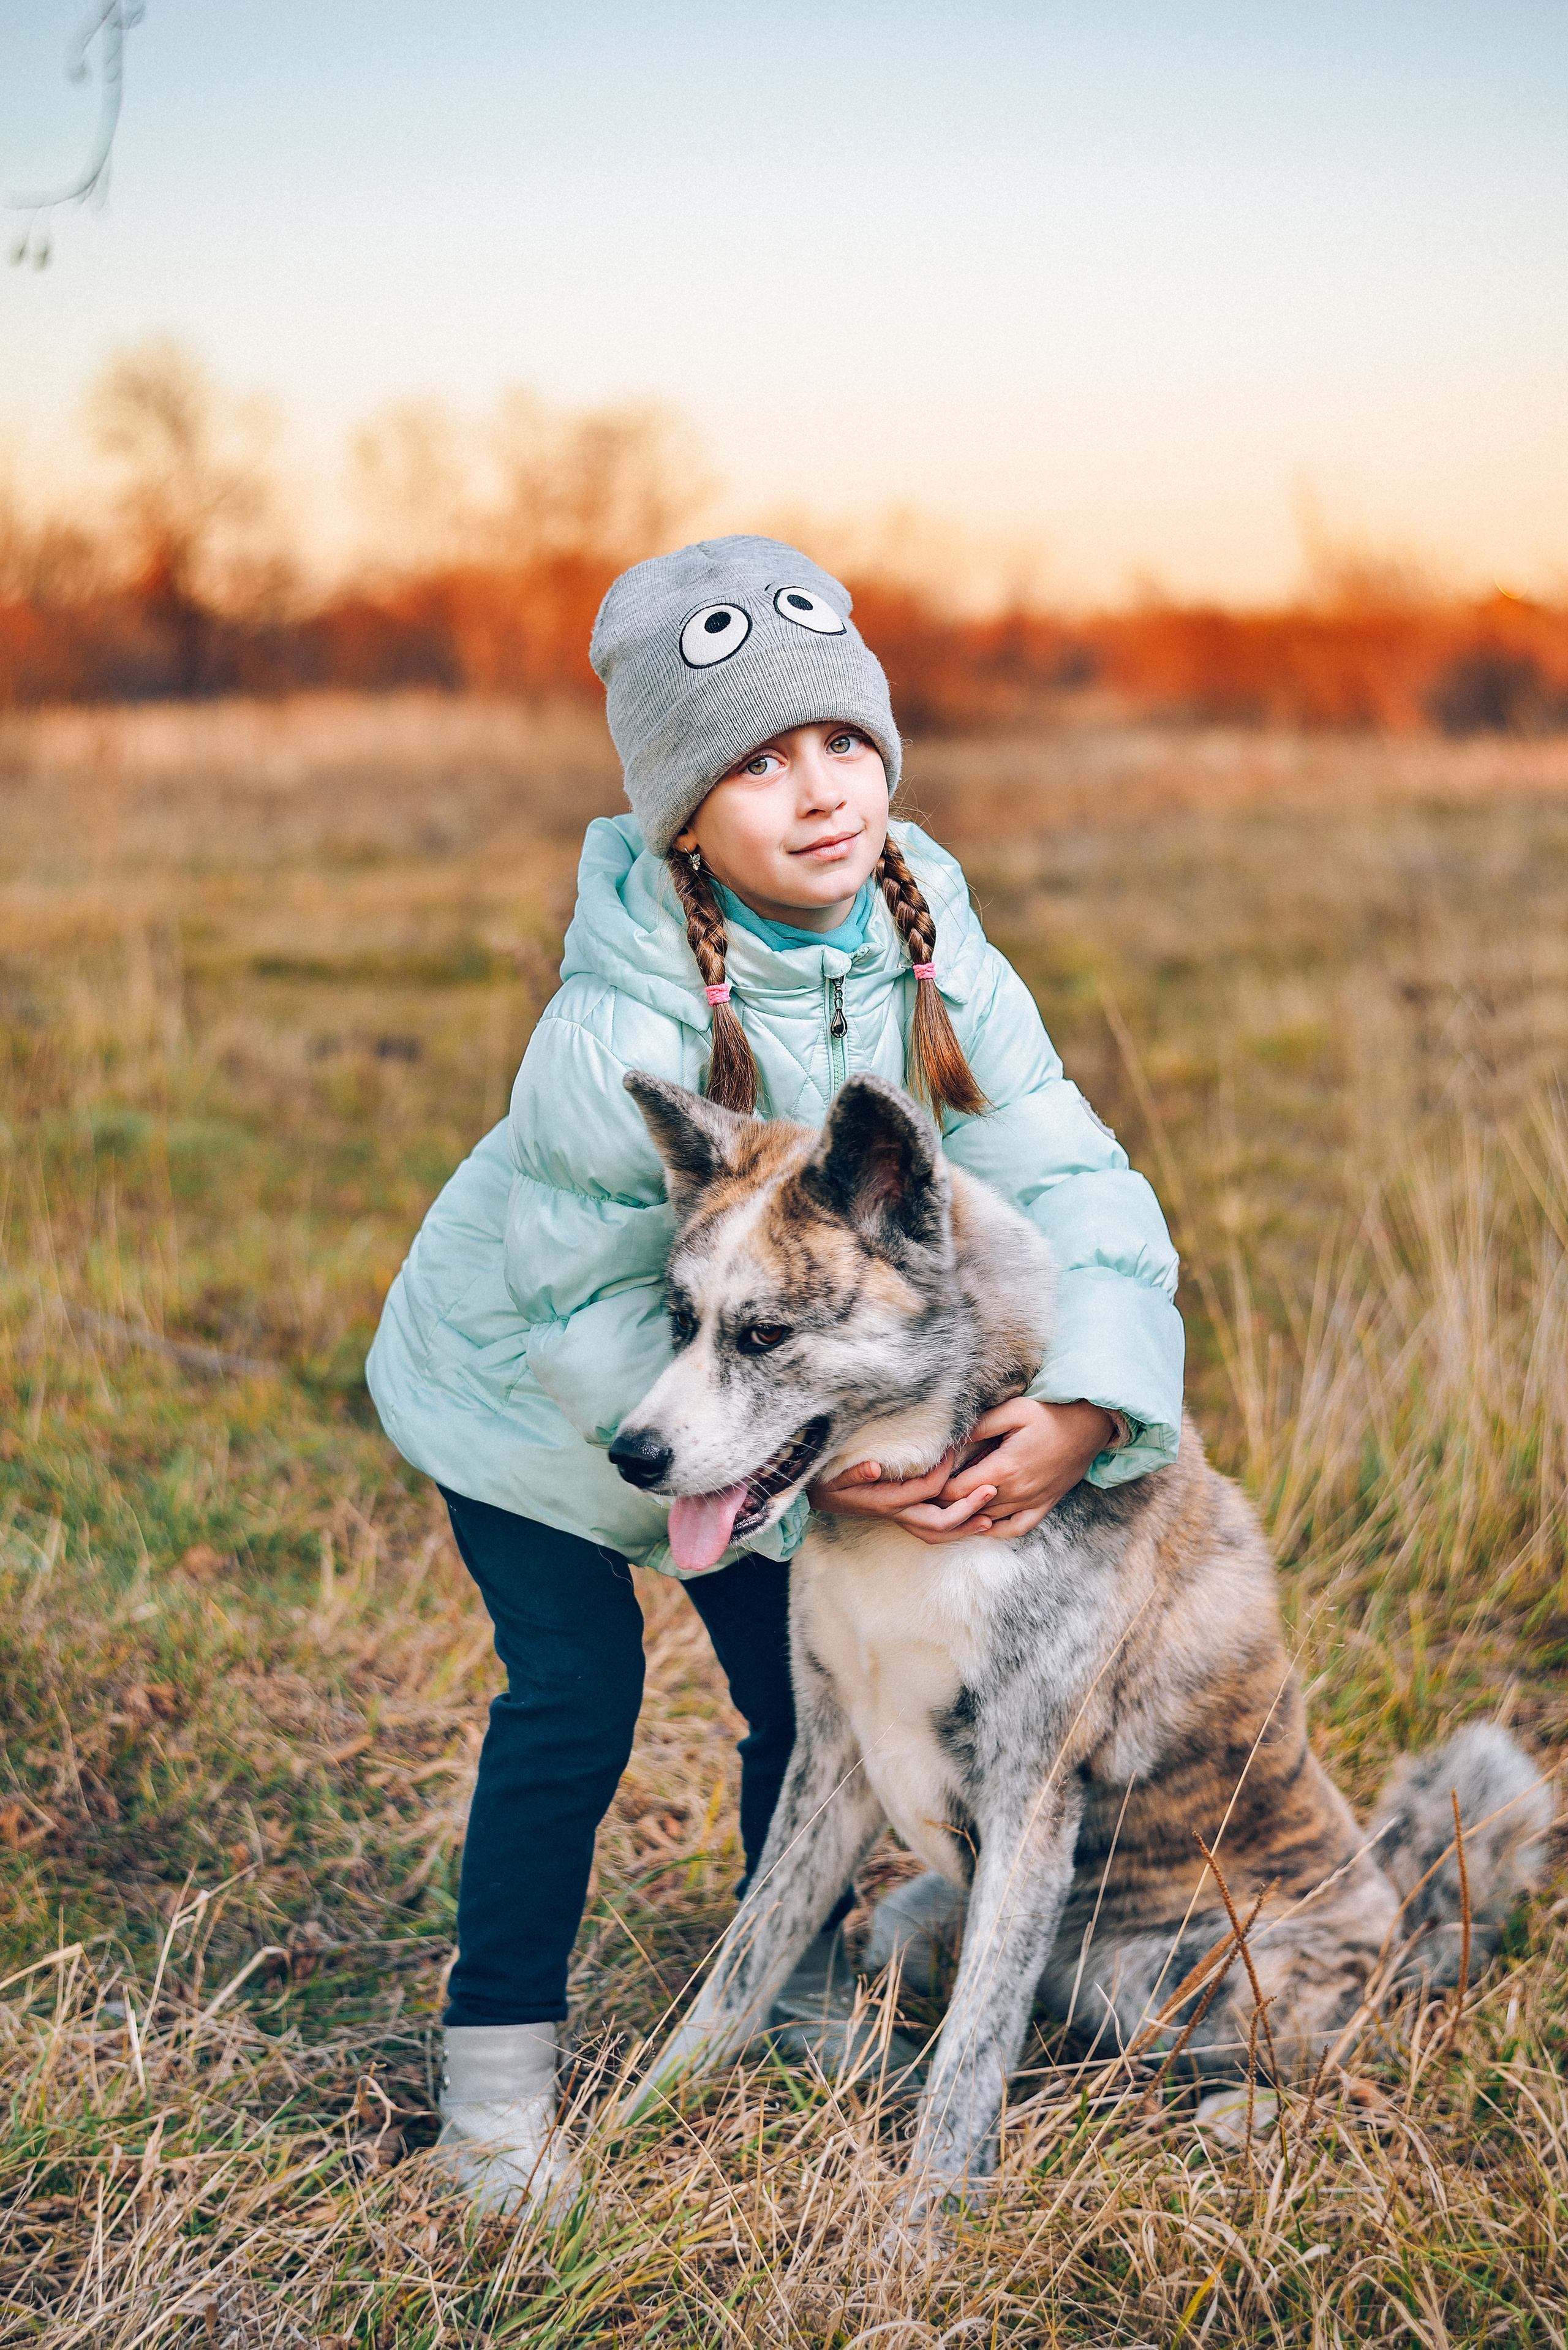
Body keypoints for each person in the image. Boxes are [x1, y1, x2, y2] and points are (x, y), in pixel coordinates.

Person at [366, 535, 1183, 2210]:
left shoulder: (938, 949)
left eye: (841, 740)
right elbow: (580, 1302)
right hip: (535, 1393)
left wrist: (1094, 1399)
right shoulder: (618, 1021)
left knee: (791, 1693)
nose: (817, 791)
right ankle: (495, 2089)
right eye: (755, 759)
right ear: (681, 813)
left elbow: (1087, 1185)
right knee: (571, 1701)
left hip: (758, 1399)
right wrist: (756, 1474)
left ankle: (790, 1979)